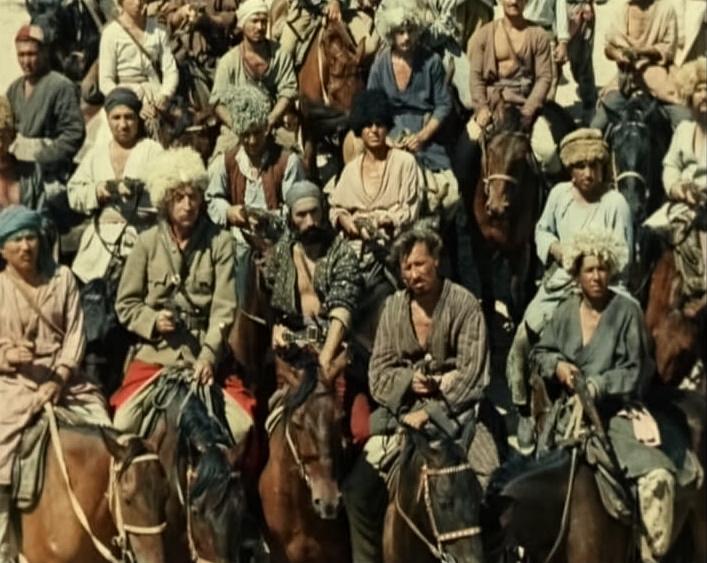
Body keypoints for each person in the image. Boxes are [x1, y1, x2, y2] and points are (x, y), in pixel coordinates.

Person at [530, 228, 701, 563]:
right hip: (568, 415)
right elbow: (540, 352)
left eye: (602, 268)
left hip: (615, 416)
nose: (596, 276)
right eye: (589, 269)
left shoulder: (627, 312)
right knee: (532, 485)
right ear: (577, 272)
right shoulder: (564, 311)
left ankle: (647, 550)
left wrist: (600, 386)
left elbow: (636, 370)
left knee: (656, 479)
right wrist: (558, 366)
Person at [342, 222, 498, 563]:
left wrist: (431, 409)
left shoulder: (464, 304)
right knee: (357, 494)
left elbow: (474, 375)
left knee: (491, 484)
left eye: (419, 264)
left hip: (459, 416)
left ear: (436, 261)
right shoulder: (393, 308)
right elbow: (378, 375)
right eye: (406, 267)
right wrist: (409, 382)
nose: (413, 274)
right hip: (403, 418)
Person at [111, 147, 254, 445]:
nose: (187, 205)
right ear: (165, 200)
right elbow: (126, 304)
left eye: (193, 196)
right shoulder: (147, 243)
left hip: (206, 352)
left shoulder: (221, 243)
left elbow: (224, 308)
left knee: (242, 427)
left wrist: (208, 356)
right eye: (179, 197)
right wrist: (152, 321)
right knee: (123, 423)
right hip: (156, 356)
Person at [0, 206, 112, 562]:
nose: (25, 247)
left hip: (66, 379)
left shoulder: (62, 279)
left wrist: (59, 378)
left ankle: (116, 531)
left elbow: (76, 334)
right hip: (13, 382)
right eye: (16, 240)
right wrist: (7, 355)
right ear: (2, 248)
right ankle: (4, 541)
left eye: (30, 237)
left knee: (108, 436)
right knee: (2, 446)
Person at [506, 128, 633, 439]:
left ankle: (629, 406)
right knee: (523, 336)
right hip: (562, 282)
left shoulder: (615, 203)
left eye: (594, 166)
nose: (588, 173)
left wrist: (597, 273)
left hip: (604, 286)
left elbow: (625, 254)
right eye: (580, 166)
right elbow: (542, 230)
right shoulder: (560, 195)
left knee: (632, 334)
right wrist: (554, 248)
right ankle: (523, 407)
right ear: (570, 168)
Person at [328, 89, 422, 349]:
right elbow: (336, 208)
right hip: (355, 253)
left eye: (379, 124)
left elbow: (410, 209)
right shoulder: (350, 170)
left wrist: (384, 221)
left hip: (391, 251)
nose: (373, 130)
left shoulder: (404, 163)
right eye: (367, 124)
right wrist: (347, 222)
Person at [206, 84, 305, 299]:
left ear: (266, 128)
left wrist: (268, 219)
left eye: (257, 133)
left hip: (277, 241)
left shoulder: (287, 161)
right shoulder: (226, 162)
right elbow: (211, 198)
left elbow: (298, 206)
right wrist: (229, 212)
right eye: (245, 134)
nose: (252, 141)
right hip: (237, 243)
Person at [264, 181, 362, 383]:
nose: (310, 222)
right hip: (294, 350)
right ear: (290, 217)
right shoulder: (281, 253)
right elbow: (270, 300)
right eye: (301, 215)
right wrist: (277, 329)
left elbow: (343, 310)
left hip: (335, 352)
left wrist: (325, 360)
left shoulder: (341, 253)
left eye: (314, 212)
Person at [368, 0, 457, 216]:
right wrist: (386, 139)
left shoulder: (431, 62)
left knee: (451, 196)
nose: (406, 37)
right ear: (391, 33)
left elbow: (443, 104)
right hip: (390, 132)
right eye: (400, 32)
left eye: (410, 31)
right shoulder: (380, 65)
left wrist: (423, 136)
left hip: (425, 135)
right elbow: (372, 106)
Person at [68, 88, 163, 284]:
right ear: (108, 119)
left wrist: (139, 191)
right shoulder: (96, 154)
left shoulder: (152, 151)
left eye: (129, 117)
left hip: (141, 238)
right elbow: (74, 192)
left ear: (138, 119)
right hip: (100, 243)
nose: (123, 125)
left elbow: (167, 191)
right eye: (116, 117)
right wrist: (97, 191)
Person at [644, 56, 706, 315]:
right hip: (683, 201)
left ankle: (701, 294)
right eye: (699, 90)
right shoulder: (684, 130)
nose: (704, 95)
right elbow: (670, 165)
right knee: (648, 234)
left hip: (704, 204)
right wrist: (677, 188)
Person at [466, 0, 559, 174]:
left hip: (524, 105)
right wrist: (482, 108)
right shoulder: (484, 35)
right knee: (464, 154)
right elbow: (476, 77)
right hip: (493, 106)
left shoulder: (538, 35)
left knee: (548, 153)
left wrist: (529, 111)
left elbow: (544, 77)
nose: (514, 1)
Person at [591, 0, 691, 131]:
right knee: (597, 125)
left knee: (686, 121)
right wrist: (617, 55)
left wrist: (641, 52)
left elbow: (668, 49)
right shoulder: (622, 11)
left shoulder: (666, 9)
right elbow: (609, 47)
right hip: (627, 82)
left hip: (660, 81)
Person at [6, 25, 86, 183]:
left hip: (50, 174)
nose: (26, 61)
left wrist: (43, 158)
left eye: (31, 54)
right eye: (21, 54)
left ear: (44, 53)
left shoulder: (61, 86)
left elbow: (74, 133)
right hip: (19, 170)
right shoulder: (14, 89)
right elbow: (7, 128)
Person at [210, 0, 298, 137]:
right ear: (243, 24)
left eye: (263, 21)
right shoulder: (228, 61)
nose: (260, 27)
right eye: (254, 21)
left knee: (291, 148)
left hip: (272, 127)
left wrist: (272, 119)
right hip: (237, 129)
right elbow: (217, 101)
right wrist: (237, 125)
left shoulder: (280, 55)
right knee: (223, 150)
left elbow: (288, 90)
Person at [99, 0, 179, 124]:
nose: (138, 3)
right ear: (121, 2)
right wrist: (130, 102)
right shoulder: (110, 34)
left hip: (155, 96)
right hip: (124, 98)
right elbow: (105, 82)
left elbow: (170, 70)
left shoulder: (158, 30)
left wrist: (165, 94)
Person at [523, 0, 570, 101]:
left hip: (545, 32)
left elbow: (561, 10)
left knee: (549, 77)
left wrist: (562, 42)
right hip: (522, 29)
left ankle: (546, 107)